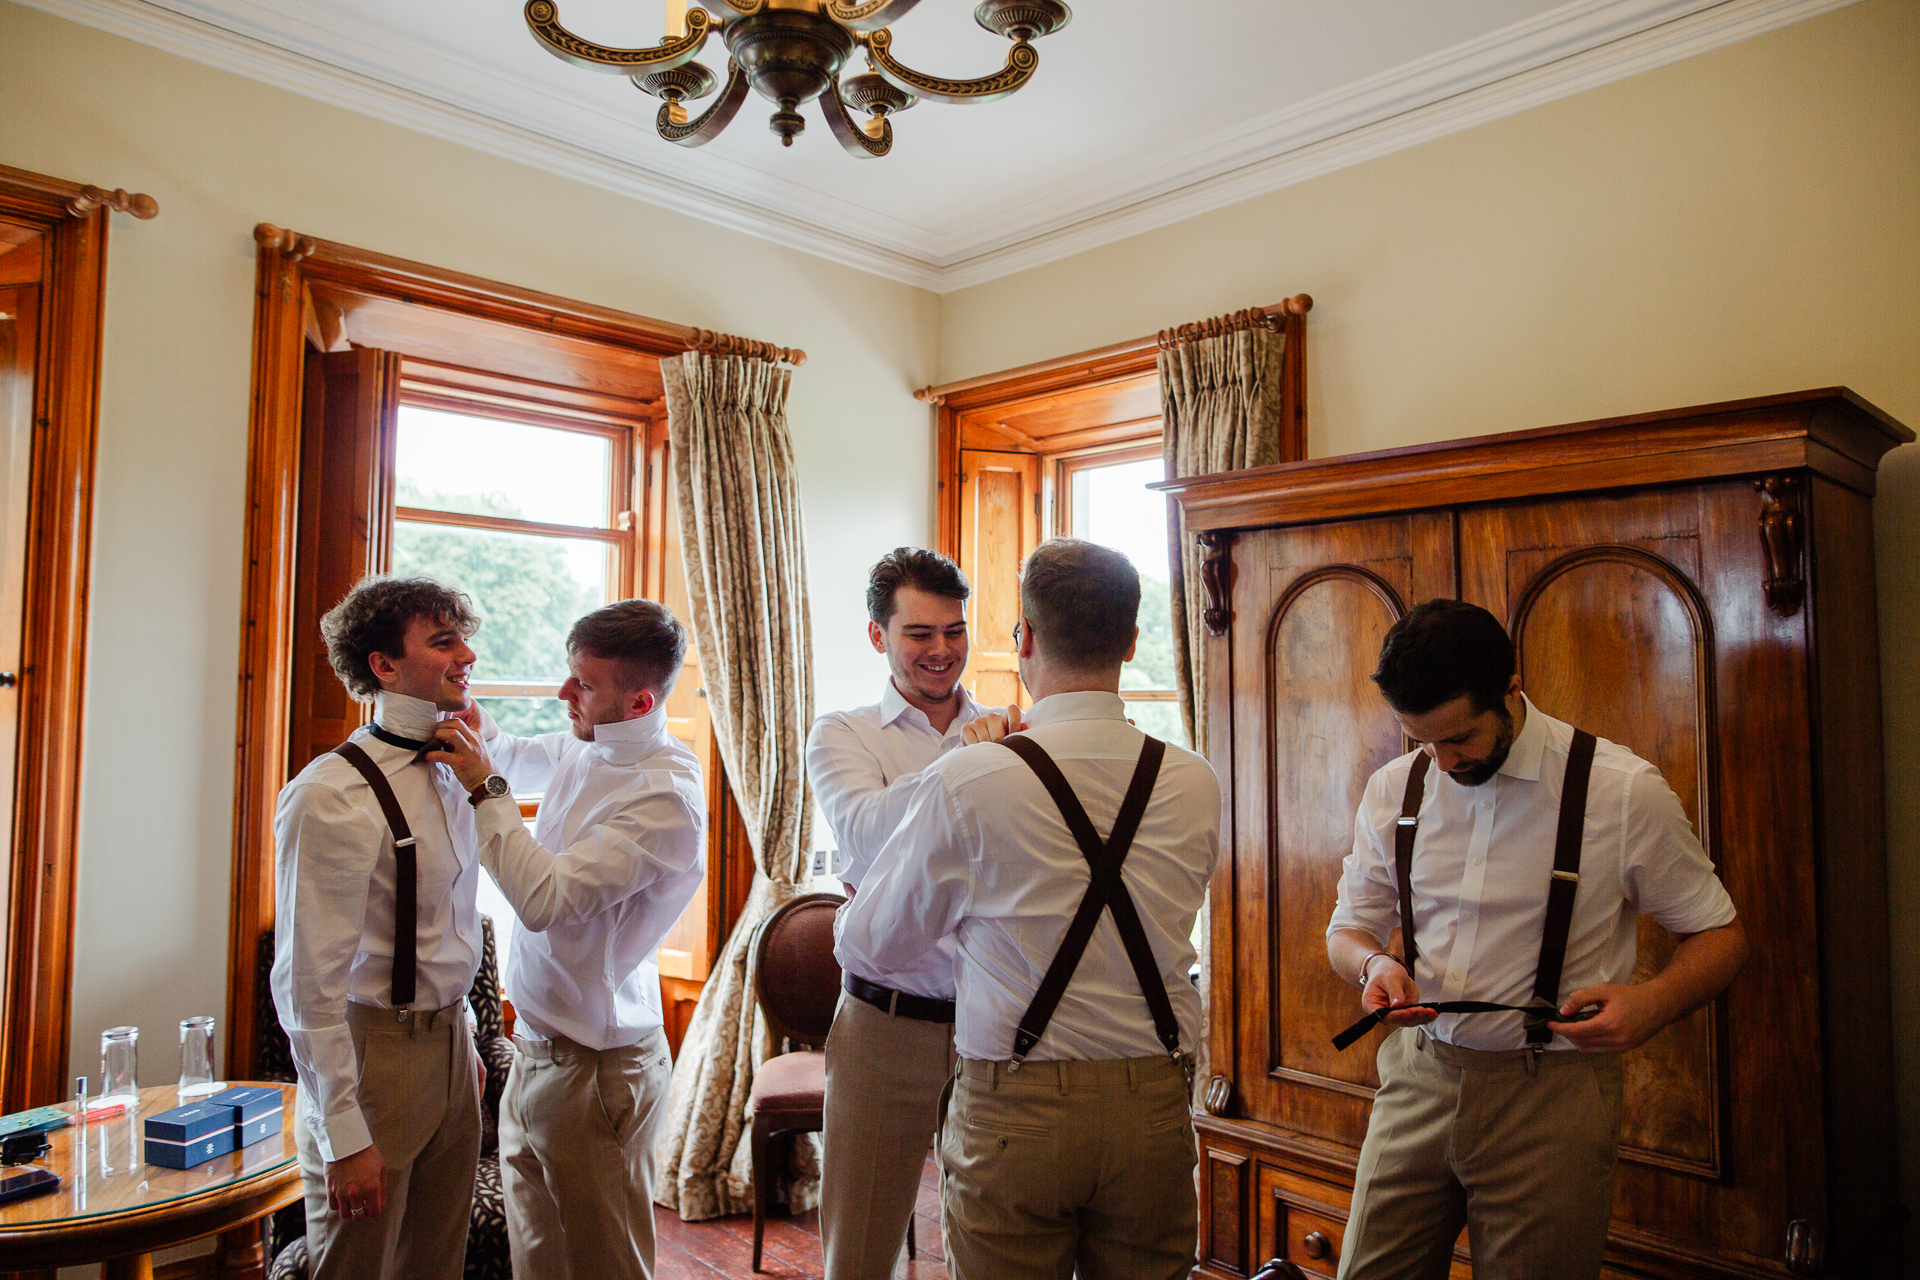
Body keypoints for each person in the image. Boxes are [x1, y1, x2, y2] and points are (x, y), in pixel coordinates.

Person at [1325, 599, 1748, 1280]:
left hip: (1552, 1096)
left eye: (1458, 738)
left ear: (1512, 689)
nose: (1442, 759)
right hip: (1417, 1078)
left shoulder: (1620, 791)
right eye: (1420, 739)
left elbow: (1721, 937)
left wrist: (1650, 1006)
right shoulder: (1394, 789)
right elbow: (1347, 929)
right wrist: (1373, 963)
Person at [838, 538, 1219, 1280]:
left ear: (1025, 640)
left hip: (1019, 1107)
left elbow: (870, 947)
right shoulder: (1195, 780)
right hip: (1155, 1102)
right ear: (1133, 641)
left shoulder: (974, 778)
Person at [428, 598, 706, 1280]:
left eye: (581, 683)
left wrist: (481, 784)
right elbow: (520, 757)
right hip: (537, 1058)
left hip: (598, 1077)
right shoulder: (593, 744)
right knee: (539, 1266)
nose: (562, 694)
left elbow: (542, 898)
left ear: (639, 701)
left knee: (605, 1269)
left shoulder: (664, 796)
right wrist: (477, 728)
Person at [271, 576, 487, 1280]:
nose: (468, 656)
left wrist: (466, 1045)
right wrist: (343, 1129)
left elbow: (449, 922)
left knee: (437, 1266)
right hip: (374, 1063)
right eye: (444, 641)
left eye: (463, 638)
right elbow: (306, 983)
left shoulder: (458, 770)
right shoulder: (330, 795)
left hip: (455, 1052)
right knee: (358, 1267)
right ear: (384, 666)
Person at [806, 547, 984, 1280]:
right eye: (919, 634)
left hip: (997, 1025)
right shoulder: (843, 734)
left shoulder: (1016, 730)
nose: (941, 651)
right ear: (879, 636)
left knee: (997, 1243)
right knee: (860, 1246)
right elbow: (867, 833)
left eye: (954, 630)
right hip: (887, 1023)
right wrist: (963, 768)